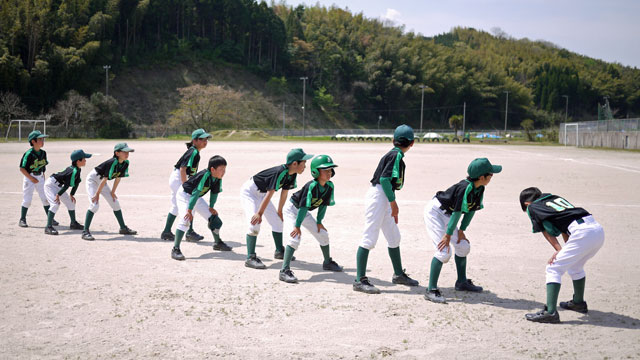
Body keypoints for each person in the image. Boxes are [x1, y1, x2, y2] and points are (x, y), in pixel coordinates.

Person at [520, 187, 604, 323]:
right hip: (597, 230)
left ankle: (550, 312)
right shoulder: (553, 198)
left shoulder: (532, 207)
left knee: (553, 268)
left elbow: (544, 231)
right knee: (575, 266)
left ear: (526, 204)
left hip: (582, 233)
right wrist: (565, 250)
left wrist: (559, 250)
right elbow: (564, 226)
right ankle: (578, 303)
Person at [423, 158, 501, 303]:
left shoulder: (479, 188)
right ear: (482, 177)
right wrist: (447, 235)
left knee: (463, 246)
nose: (492, 176)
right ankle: (431, 289)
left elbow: (471, 210)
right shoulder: (465, 188)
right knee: (443, 252)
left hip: (449, 216)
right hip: (435, 212)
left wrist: (462, 230)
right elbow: (457, 213)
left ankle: (461, 282)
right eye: (491, 174)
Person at [353, 125, 419, 294]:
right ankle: (359, 280)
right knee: (369, 237)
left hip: (382, 196)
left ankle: (398, 274)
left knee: (394, 236)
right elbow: (384, 179)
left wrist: (390, 203)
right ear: (412, 143)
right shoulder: (396, 155)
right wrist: (393, 203)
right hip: (379, 197)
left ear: (393, 141)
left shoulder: (395, 154)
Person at [240, 148, 313, 269]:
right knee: (255, 223)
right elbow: (270, 194)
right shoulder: (280, 172)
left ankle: (279, 251)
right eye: (303, 163)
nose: (305, 166)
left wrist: (280, 211)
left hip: (262, 194)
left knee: (278, 221)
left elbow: (284, 193)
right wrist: (259, 213)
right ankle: (250, 257)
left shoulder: (292, 174)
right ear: (295, 163)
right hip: (250, 193)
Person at [279, 155, 343, 283]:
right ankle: (284, 270)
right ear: (315, 172)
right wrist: (297, 226)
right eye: (325, 170)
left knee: (323, 234)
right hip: (292, 210)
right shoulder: (311, 186)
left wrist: (319, 222)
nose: (329, 173)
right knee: (294, 237)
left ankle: (327, 262)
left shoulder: (329, 186)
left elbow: (323, 205)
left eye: (330, 170)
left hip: (304, 212)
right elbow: (303, 207)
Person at [171, 155, 230, 260]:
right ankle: (175, 249)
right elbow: (195, 192)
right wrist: (189, 210)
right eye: (221, 169)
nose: (224, 172)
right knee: (185, 220)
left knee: (214, 219)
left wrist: (211, 207)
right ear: (212, 169)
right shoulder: (205, 175)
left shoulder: (217, 178)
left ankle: (217, 243)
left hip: (196, 197)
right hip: (185, 195)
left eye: (225, 169)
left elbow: (214, 193)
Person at [161, 129, 211, 242]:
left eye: (206, 139)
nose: (205, 141)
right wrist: (185, 186)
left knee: (175, 205)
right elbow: (183, 169)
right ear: (194, 140)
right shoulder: (193, 152)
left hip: (177, 178)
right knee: (190, 203)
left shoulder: (195, 152)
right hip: (179, 178)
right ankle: (189, 232)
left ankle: (167, 232)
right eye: (202, 139)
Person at [81, 143, 137, 241]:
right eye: (124, 152)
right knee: (94, 205)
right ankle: (85, 231)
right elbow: (105, 179)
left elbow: (118, 178)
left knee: (115, 203)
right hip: (93, 180)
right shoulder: (112, 162)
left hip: (102, 181)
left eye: (128, 152)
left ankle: (123, 228)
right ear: (117, 153)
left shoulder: (125, 163)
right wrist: (97, 194)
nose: (127, 154)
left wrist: (113, 192)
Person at [43, 149, 92, 235]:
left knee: (70, 203)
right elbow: (66, 186)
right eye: (84, 158)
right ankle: (48, 227)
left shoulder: (77, 169)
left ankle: (73, 223)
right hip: (50, 185)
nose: (85, 160)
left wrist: (72, 194)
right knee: (55, 204)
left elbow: (76, 183)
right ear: (78, 161)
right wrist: (58, 195)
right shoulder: (73, 171)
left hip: (58, 186)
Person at [19, 130, 57, 227]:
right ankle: (22, 219)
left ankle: (50, 219)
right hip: (29, 177)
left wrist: (42, 179)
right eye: (40, 139)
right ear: (33, 141)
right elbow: (22, 168)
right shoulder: (29, 154)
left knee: (45, 198)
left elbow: (43, 167)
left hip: (40, 177)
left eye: (42, 139)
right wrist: (31, 178)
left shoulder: (43, 153)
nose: (42, 141)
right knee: (27, 200)